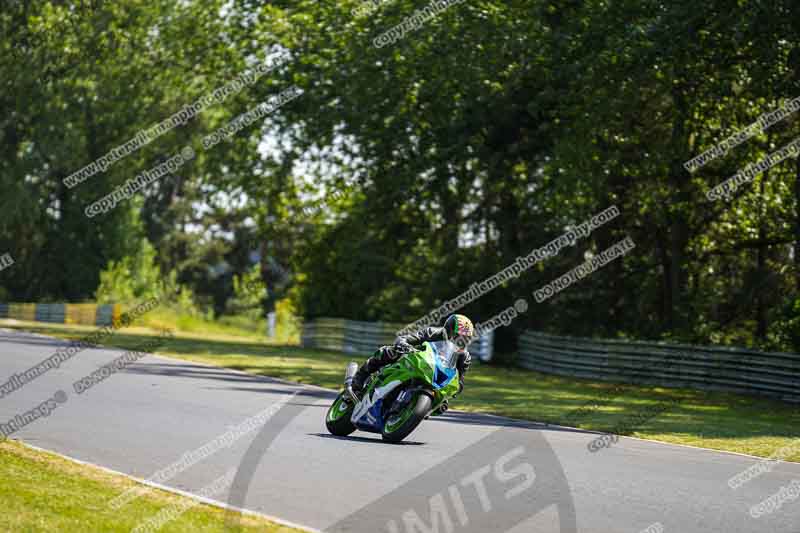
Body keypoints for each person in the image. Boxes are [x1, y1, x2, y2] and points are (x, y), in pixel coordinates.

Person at [350, 314, 475, 401]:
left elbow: (459, 381)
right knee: (388, 351)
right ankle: (359, 378)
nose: (460, 340)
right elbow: (406, 338)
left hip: (434, 377)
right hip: (414, 361)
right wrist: (403, 344)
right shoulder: (431, 333)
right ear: (448, 330)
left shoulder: (464, 356)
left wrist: (448, 396)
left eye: (464, 338)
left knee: (442, 404)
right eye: (457, 335)